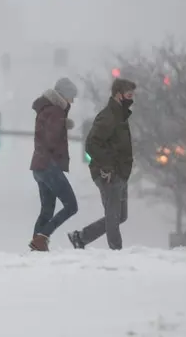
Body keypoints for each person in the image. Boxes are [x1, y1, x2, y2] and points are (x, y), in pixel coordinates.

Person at [68, 78, 136, 251]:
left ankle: (81, 237)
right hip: (109, 174)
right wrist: (107, 168)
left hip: (119, 173)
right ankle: (117, 253)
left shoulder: (119, 116)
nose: (131, 99)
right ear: (118, 95)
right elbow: (91, 144)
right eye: (129, 95)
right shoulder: (109, 117)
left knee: (120, 216)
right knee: (113, 217)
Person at [29, 77, 79, 251]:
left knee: (47, 210)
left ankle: (37, 245)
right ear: (64, 95)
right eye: (71, 97)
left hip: (39, 166)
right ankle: (43, 238)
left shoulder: (46, 109)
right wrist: (61, 125)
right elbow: (50, 140)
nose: (72, 101)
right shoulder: (56, 112)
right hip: (49, 166)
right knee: (71, 206)